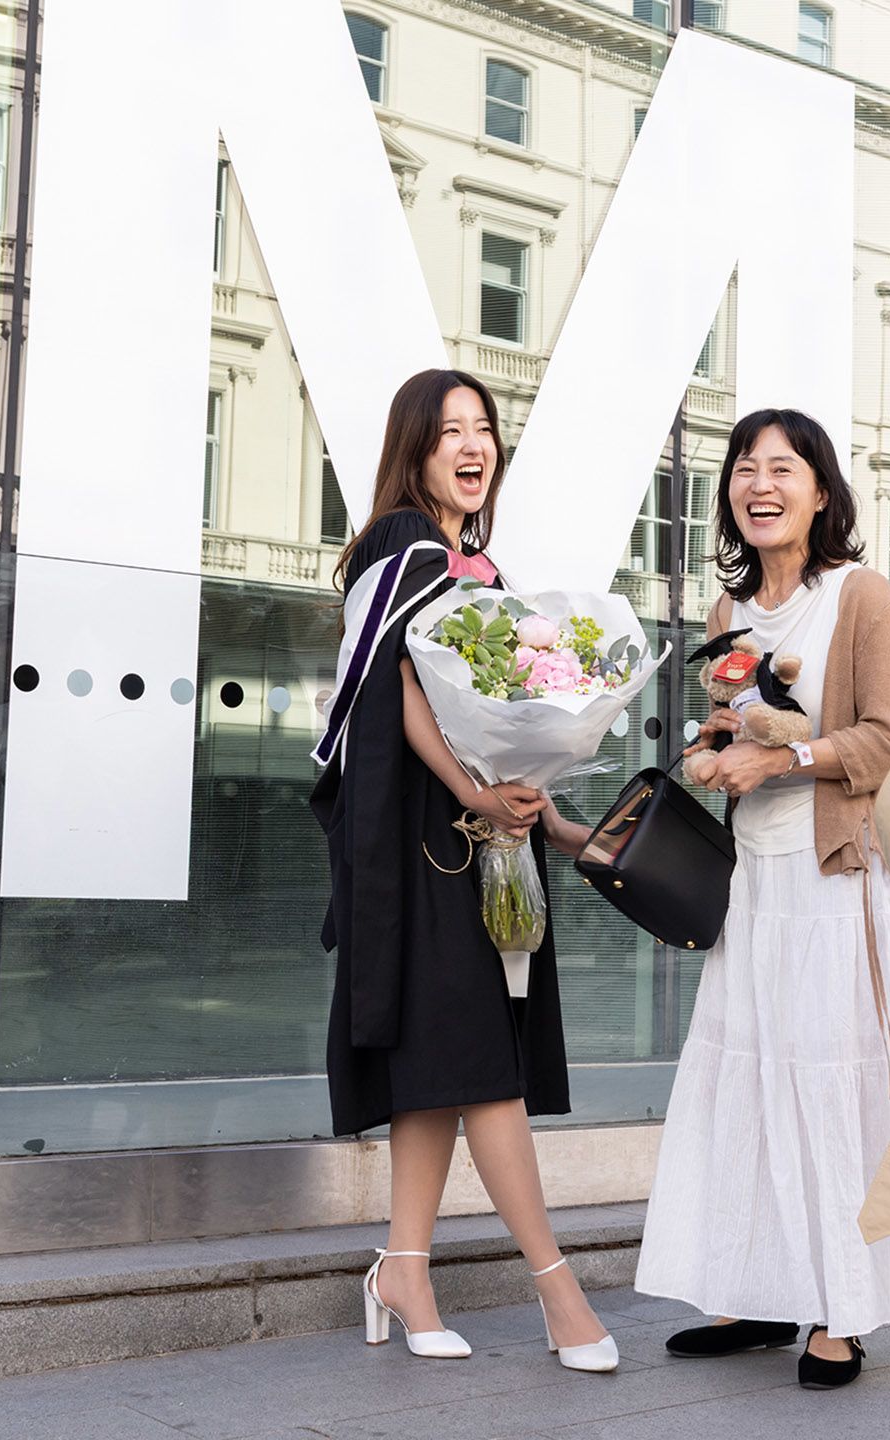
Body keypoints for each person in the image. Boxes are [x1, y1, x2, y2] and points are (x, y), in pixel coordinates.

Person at [635, 409, 890, 1390]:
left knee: (834, 1087)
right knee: (757, 1087)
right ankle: (762, 1291)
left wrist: (785, 759)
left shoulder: (860, 597)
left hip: (837, 886)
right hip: (753, 887)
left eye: (782, 469)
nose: (759, 485)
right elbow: (733, 726)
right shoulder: (727, 611)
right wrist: (718, 749)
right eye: (744, 468)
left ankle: (840, 1312)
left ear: (818, 493)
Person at [309, 367, 616, 1373]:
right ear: (416, 449)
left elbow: (489, 715)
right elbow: (395, 690)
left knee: (439, 1069)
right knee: (484, 1066)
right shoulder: (403, 545)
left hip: (477, 838)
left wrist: (549, 818)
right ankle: (557, 1289)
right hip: (426, 843)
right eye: (450, 432)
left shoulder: (473, 565)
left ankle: (403, 1269)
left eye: (483, 428)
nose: (473, 445)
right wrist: (475, 795)